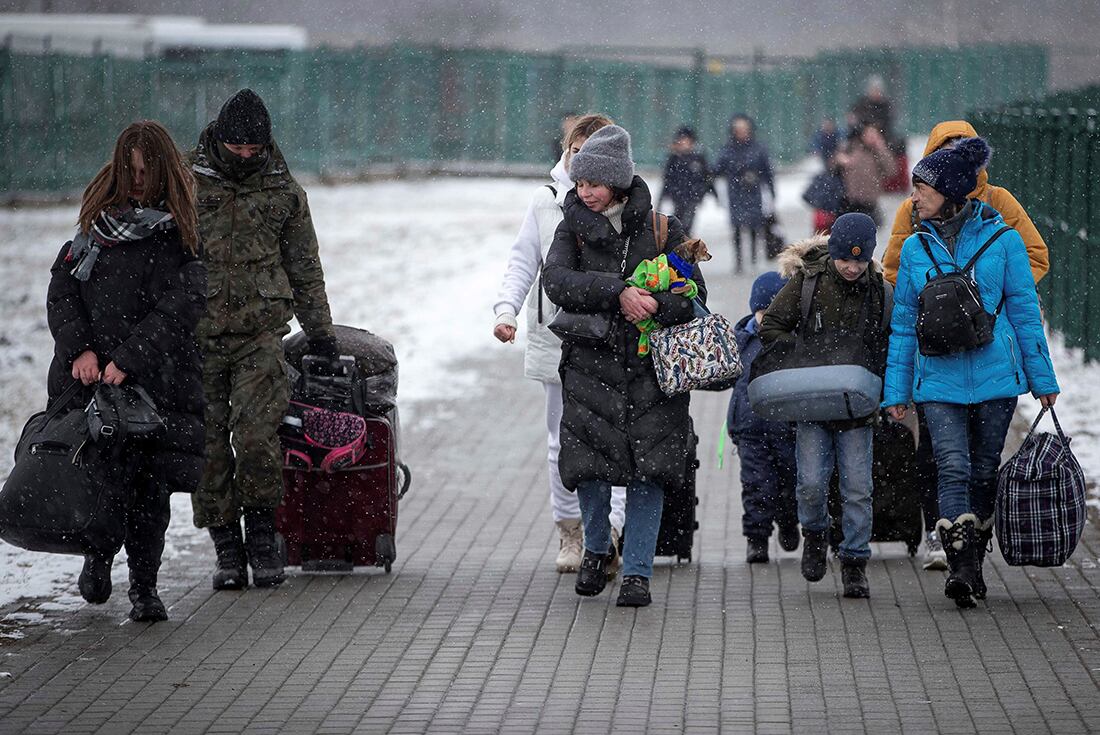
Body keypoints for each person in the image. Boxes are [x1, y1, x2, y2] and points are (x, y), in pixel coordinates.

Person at [884, 137, 1059, 609]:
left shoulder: (1004, 242)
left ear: (950, 192)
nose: (914, 197)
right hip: (937, 380)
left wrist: (1043, 380)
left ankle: (974, 559)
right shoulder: (916, 248)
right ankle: (960, 565)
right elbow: (903, 327)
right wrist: (895, 391)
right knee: (953, 465)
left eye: (921, 188)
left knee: (984, 471)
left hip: (996, 379)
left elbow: (1025, 312)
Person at [47, 120, 206, 622]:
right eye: (130, 170)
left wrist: (129, 359)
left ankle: (145, 588)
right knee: (96, 477)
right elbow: (63, 290)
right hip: (88, 379)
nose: (137, 181)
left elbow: (180, 308)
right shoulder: (94, 227)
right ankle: (97, 557)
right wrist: (81, 352)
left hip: (156, 382)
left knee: (149, 490)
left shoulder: (181, 232)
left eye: (146, 170)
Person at [543, 124, 704, 607]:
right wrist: (617, 293)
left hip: (652, 373)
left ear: (617, 180)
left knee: (649, 472)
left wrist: (656, 304)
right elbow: (556, 281)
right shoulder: (570, 226)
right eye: (580, 183)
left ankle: (637, 572)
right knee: (590, 466)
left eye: (593, 184)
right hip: (590, 369)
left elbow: (694, 295)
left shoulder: (661, 228)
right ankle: (596, 551)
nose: (584, 192)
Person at [190, 89, 338, 591]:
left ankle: (262, 535)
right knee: (208, 446)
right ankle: (225, 547)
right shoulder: (187, 184)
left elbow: (304, 263)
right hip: (198, 334)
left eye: (255, 150)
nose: (247, 159)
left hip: (259, 333)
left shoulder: (283, 188)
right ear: (220, 140)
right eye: (238, 151)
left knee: (256, 439)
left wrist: (320, 330)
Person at [492, 113, 627, 575]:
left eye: (591, 153)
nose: (579, 161)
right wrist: (506, 310)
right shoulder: (546, 200)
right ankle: (571, 531)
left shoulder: (625, 204)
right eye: (574, 150)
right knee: (560, 442)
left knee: (617, 437)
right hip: (556, 339)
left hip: (614, 342)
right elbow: (522, 260)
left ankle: (609, 530)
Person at [761, 213, 890, 599]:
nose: (852, 268)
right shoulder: (808, 283)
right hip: (813, 404)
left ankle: (854, 561)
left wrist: (879, 381)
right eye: (844, 259)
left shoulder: (880, 291)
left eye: (860, 260)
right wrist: (804, 357)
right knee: (812, 484)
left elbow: (890, 342)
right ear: (832, 252)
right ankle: (815, 534)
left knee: (857, 489)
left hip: (857, 408)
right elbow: (771, 327)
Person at [727, 271, 800, 564]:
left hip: (788, 428)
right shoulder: (742, 340)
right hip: (750, 429)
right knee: (756, 484)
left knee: (791, 482)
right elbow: (722, 374)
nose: (767, 319)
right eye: (762, 312)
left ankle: (788, 521)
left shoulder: (794, 340)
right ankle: (756, 537)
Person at [713, 114, 775, 273]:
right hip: (736, 192)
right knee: (736, 227)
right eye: (738, 129)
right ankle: (739, 261)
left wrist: (771, 191)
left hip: (754, 191)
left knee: (755, 225)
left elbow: (767, 171)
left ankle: (753, 258)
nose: (742, 132)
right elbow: (718, 169)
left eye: (744, 129)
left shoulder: (758, 148)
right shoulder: (728, 149)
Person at [833, 122, 897, 224]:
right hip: (849, 199)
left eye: (874, 135)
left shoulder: (879, 152)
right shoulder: (851, 147)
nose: (871, 138)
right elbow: (833, 165)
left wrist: (881, 148)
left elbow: (891, 171)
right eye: (869, 134)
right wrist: (840, 160)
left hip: (870, 201)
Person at [656, 126, 714, 235]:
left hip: (692, 196)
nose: (683, 143)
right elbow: (667, 180)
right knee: (677, 224)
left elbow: (707, 178)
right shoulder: (673, 159)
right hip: (677, 196)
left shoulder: (698, 158)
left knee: (687, 224)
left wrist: (702, 193)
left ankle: (684, 244)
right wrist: (662, 200)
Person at [850, 75, 894, 141]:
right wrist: (866, 130)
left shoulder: (885, 105)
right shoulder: (862, 103)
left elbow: (886, 123)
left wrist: (874, 129)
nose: (875, 92)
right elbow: (855, 118)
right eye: (873, 89)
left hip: (881, 136)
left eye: (877, 90)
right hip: (862, 135)